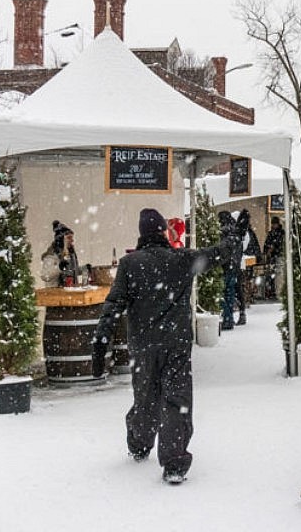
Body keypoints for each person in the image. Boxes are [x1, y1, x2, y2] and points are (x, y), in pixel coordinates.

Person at [91, 208, 238, 485]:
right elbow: (219, 254)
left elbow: (113, 305)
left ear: (141, 234)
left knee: (145, 395)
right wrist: (230, 235)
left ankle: (139, 442)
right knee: (176, 399)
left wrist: (101, 340)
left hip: (143, 345)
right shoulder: (182, 260)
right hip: (176, 343)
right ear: (162, 232)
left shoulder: (129, 264)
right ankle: (173, 462)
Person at [234, 209, 261, 325]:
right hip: (241, 264)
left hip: (236, 264)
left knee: (237, 287)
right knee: (240, 287)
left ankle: (239, 310)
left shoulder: (240, 233)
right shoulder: (246, 233)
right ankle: (242, 310)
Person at [218, 211, 243, 330]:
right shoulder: (236, 232)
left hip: (224, 266)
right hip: (234, 266)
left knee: (222, 293)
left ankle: (227, 319)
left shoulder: (222, 232)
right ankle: (230, 318)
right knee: (230, 293)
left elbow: (221, 250)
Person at [40, 220, 80, 287]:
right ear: (61, 240)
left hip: (70, 292)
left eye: (72, 237)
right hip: (56, 293)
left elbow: (72, 271)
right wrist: (59, 268)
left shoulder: (70, 255)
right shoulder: (51, 256)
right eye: (69, 238)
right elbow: (45, 276)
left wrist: (84, 269)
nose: (72, 240)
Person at [262, 216, 284, 299]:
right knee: (272, 274)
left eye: (274, 224)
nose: (273, 225)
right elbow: (267, 244)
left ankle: (277, 292)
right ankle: (272, 291)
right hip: (273, 257)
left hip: (278, 256)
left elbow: (277, 243)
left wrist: (271, 249)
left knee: (278, 274)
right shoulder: (272, 233)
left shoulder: (280, 233)